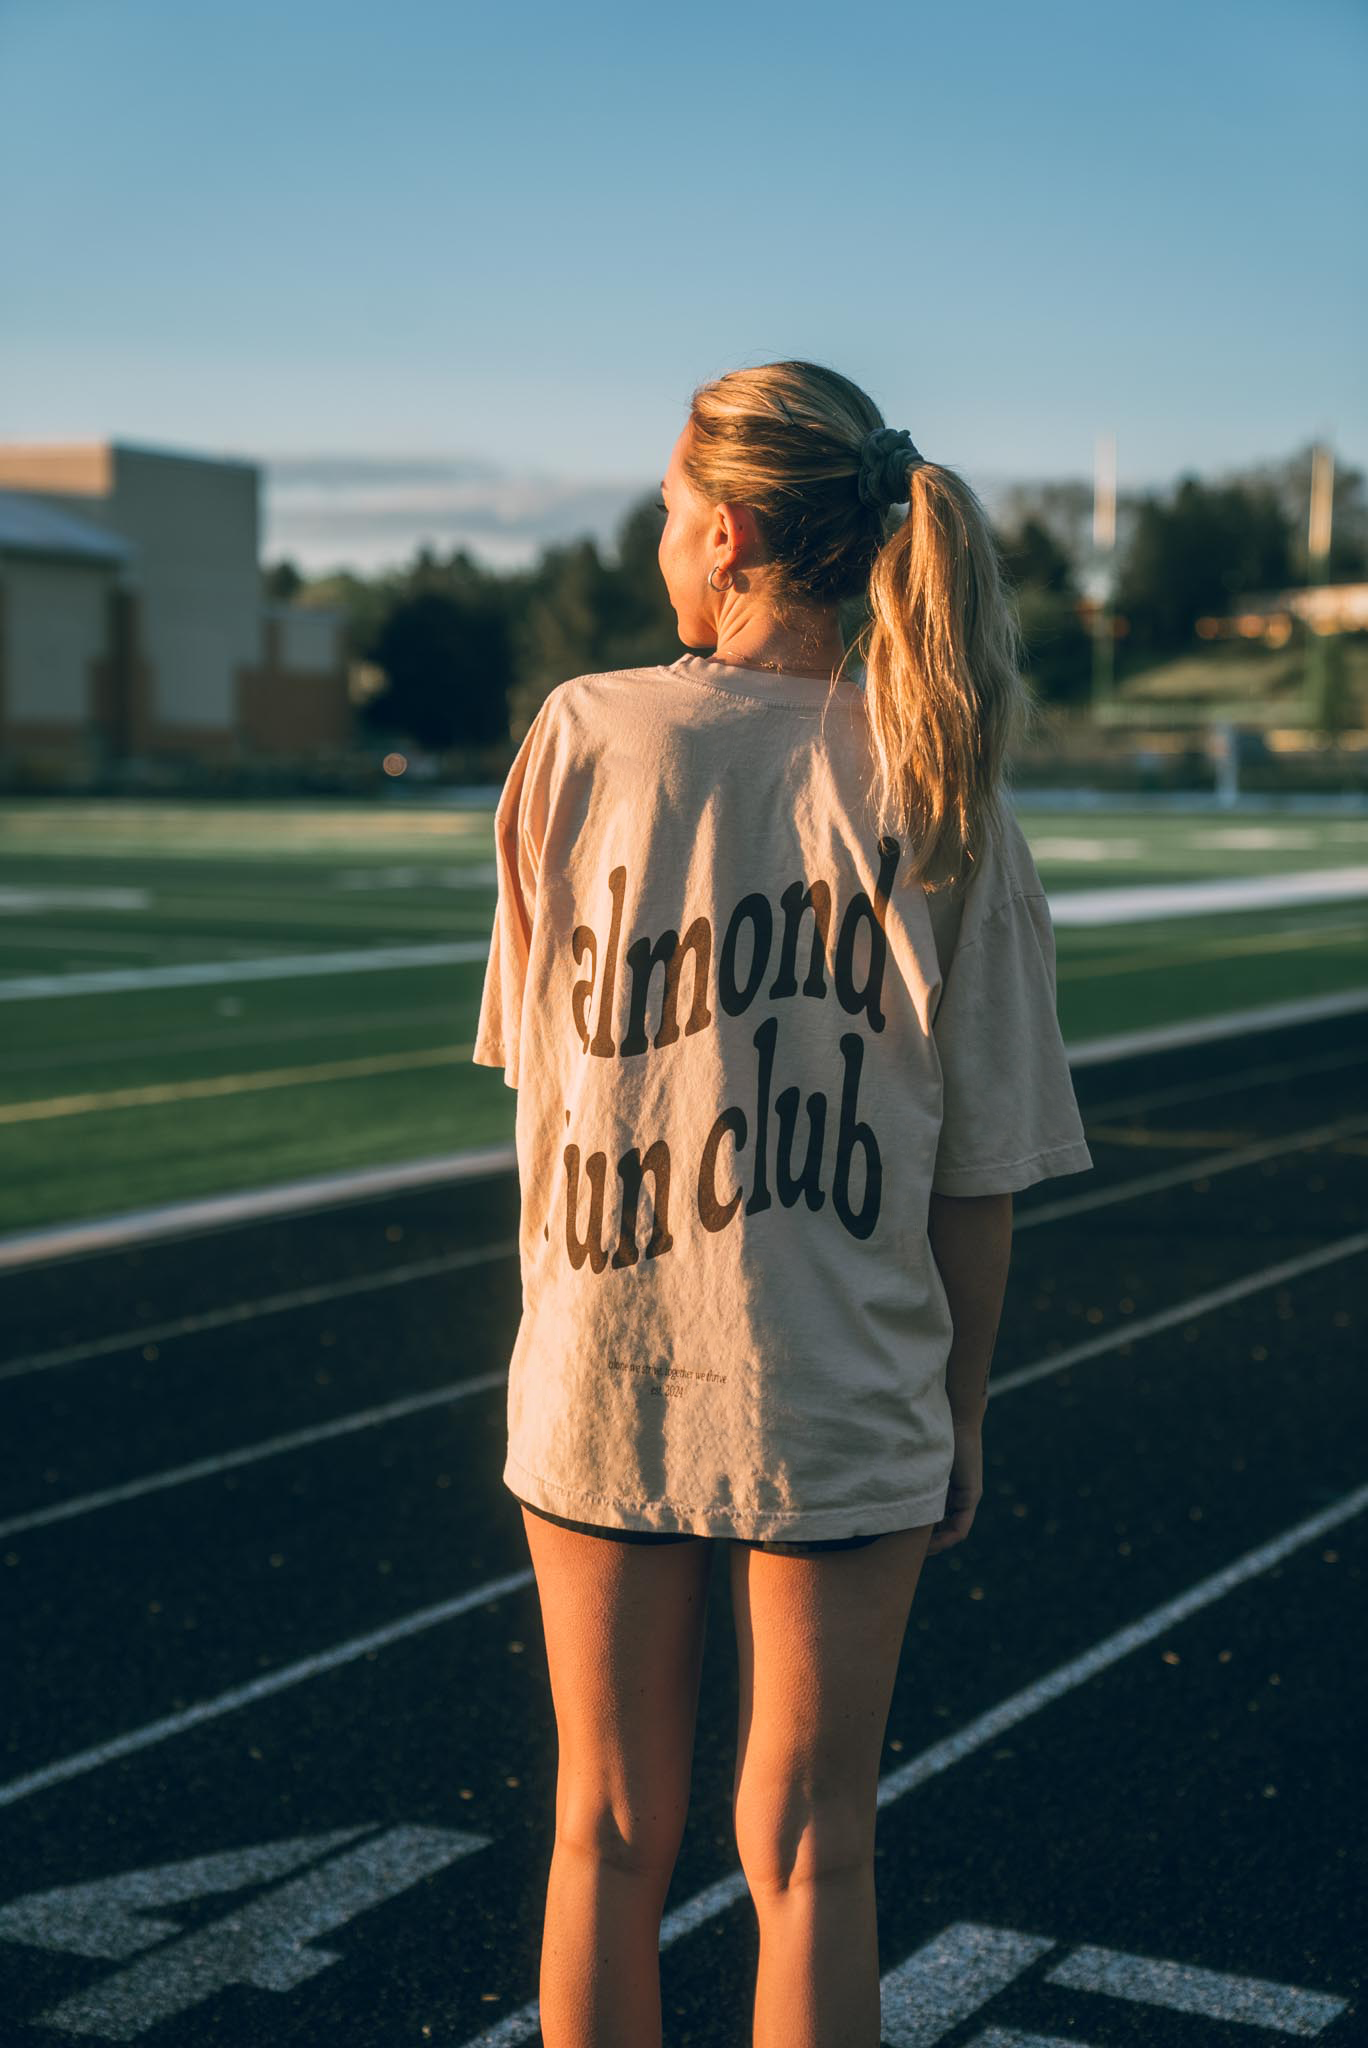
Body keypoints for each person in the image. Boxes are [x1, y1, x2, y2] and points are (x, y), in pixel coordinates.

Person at [471, 359, 1093, 2048]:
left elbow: (541, 1080)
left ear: (730, 531)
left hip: (603, 1359)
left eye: (674, 510)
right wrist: (956, 1414)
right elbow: (980, 1179)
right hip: (845, 1382)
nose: (664, 538)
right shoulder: (948, 788)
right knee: (817, 1859)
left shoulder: (585, 738)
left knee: (601, 1834)